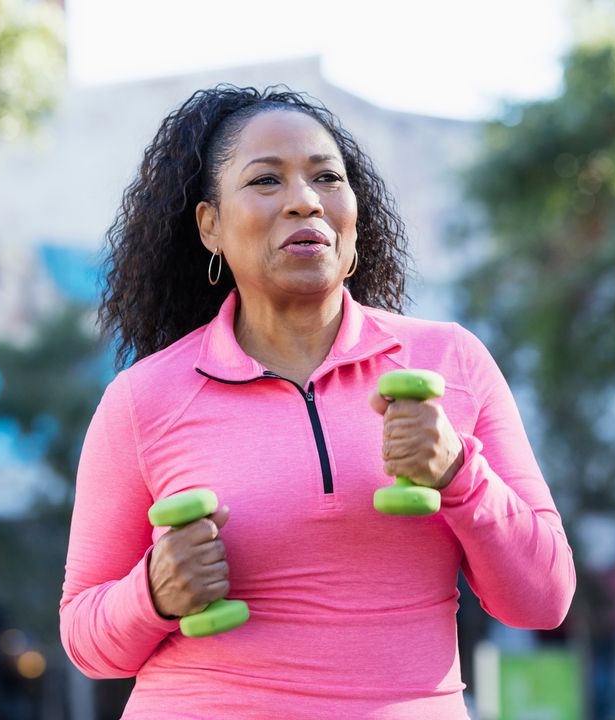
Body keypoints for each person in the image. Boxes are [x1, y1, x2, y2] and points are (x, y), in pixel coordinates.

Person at [60, 85, 575, 719]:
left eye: (326, 178)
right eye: (266, 181)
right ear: (210, 226)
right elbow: (86, 641)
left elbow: (544, 599)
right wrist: (153, 594)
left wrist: (461, 475)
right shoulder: (144, 400)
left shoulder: (450, 363)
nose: (305, 201)